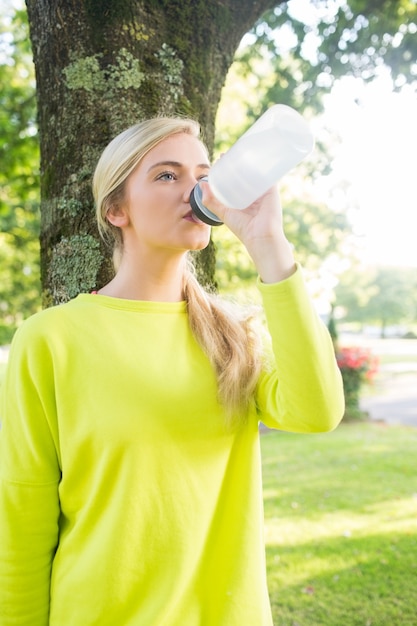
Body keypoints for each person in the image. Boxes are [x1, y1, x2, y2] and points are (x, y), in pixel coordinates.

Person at [0, 116, 345, 625]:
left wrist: (269, 243)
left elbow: (317, 412)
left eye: (202, 173)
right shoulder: (50, 339)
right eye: (167, 175)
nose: (195, 188)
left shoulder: (235, 336)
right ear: (116, 209)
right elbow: (22, 520)